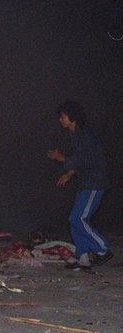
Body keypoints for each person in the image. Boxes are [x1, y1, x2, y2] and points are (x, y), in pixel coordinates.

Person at [47, 101, 112, 270]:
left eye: (63, 116)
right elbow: (80, 161)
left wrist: (61, 157)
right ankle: (83, 258)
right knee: (74, 219)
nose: (60, 119)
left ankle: (103, 249)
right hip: (85, 182)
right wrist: (69, 173)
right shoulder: (75, 135)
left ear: (72, 117)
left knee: (78, 218)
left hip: (94, 182)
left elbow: (89, 159)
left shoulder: (85, 134)